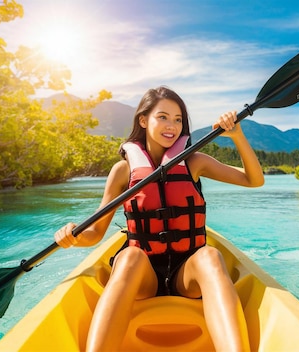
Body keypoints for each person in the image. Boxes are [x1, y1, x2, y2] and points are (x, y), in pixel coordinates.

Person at [54, 86, 264, 351]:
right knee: (129, 256)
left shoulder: (194, 162)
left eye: (178, 119)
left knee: (210, 256)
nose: (171, 126)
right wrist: (72, 235)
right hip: (143, 279)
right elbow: (95, 233)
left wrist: (237, 136)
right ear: (143, 120)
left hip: (186, 276)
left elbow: (254, 180)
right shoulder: (123, 170)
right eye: (162, 117)